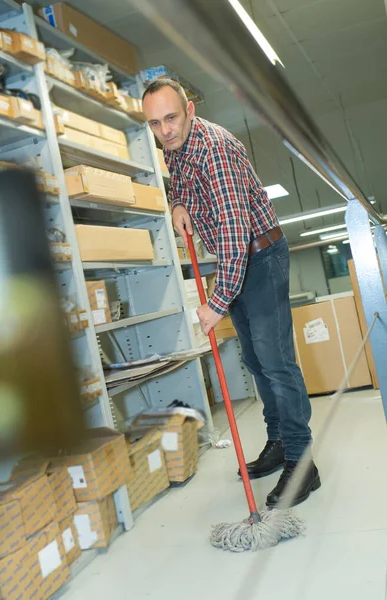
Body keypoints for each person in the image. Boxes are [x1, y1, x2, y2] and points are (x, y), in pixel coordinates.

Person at [142, 78, 320, 507]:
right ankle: (278, 442)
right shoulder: (175, 146)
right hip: (234, 259)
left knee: (277, 364)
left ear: (189, 109)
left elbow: (238, 234)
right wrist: (179, 202)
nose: (165, 131)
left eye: (171, 118)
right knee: (256, 361)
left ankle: (303, 463)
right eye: (154, 123)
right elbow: (180, 176)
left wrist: (215, 304)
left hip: (259, 256)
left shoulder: (216, 150)